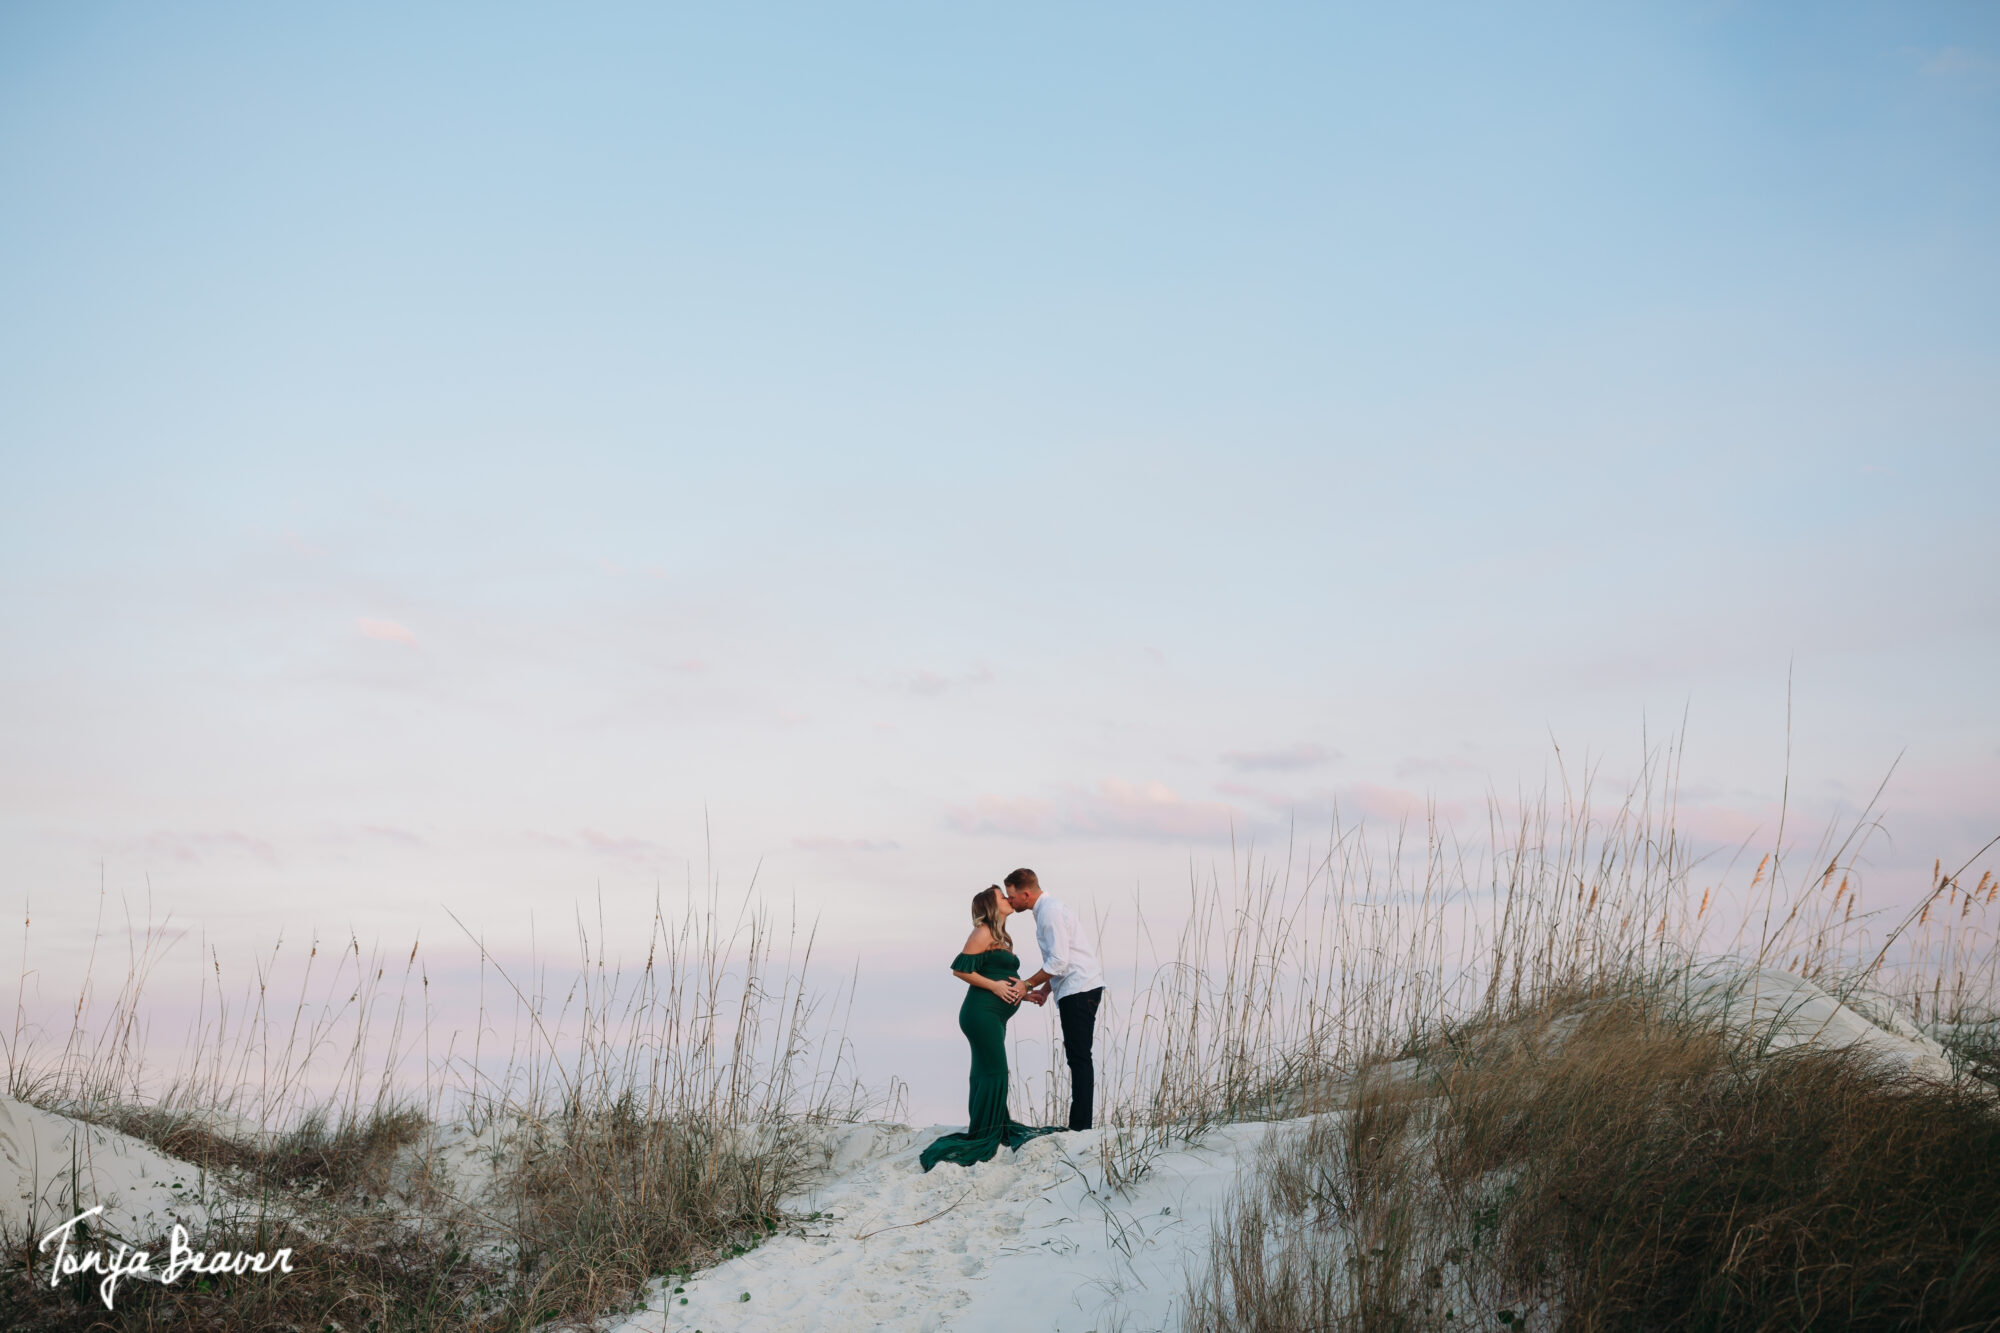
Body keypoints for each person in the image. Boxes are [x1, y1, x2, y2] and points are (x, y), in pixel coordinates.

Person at [919, 886, 1063, 1171]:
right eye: (1001, 896)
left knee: (986, 1070)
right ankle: (986, 1131)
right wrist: (997, 986)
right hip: (980, 1013)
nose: (1008, 899)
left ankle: (991, 1124)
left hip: (994, 1016)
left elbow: (998, 973)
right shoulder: (983, 931)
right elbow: (961, 969)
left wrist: (1024, 993)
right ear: (990, 905)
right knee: (995, 1070)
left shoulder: (1001, 937)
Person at [1004, 868, 1107, 1131]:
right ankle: (1080, 1125)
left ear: (1026, 894)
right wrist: (1047, 989)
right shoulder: (1047, 909)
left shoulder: (1049, 912)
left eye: (1012, 896)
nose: (1010, 901)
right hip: (1076, 987)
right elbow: (1064, 958)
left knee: (1079, 1057)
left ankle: (1080, 1128)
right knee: (1077, 1056)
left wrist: (1026, 984)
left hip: (1079, 989)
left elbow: (1059, 961)